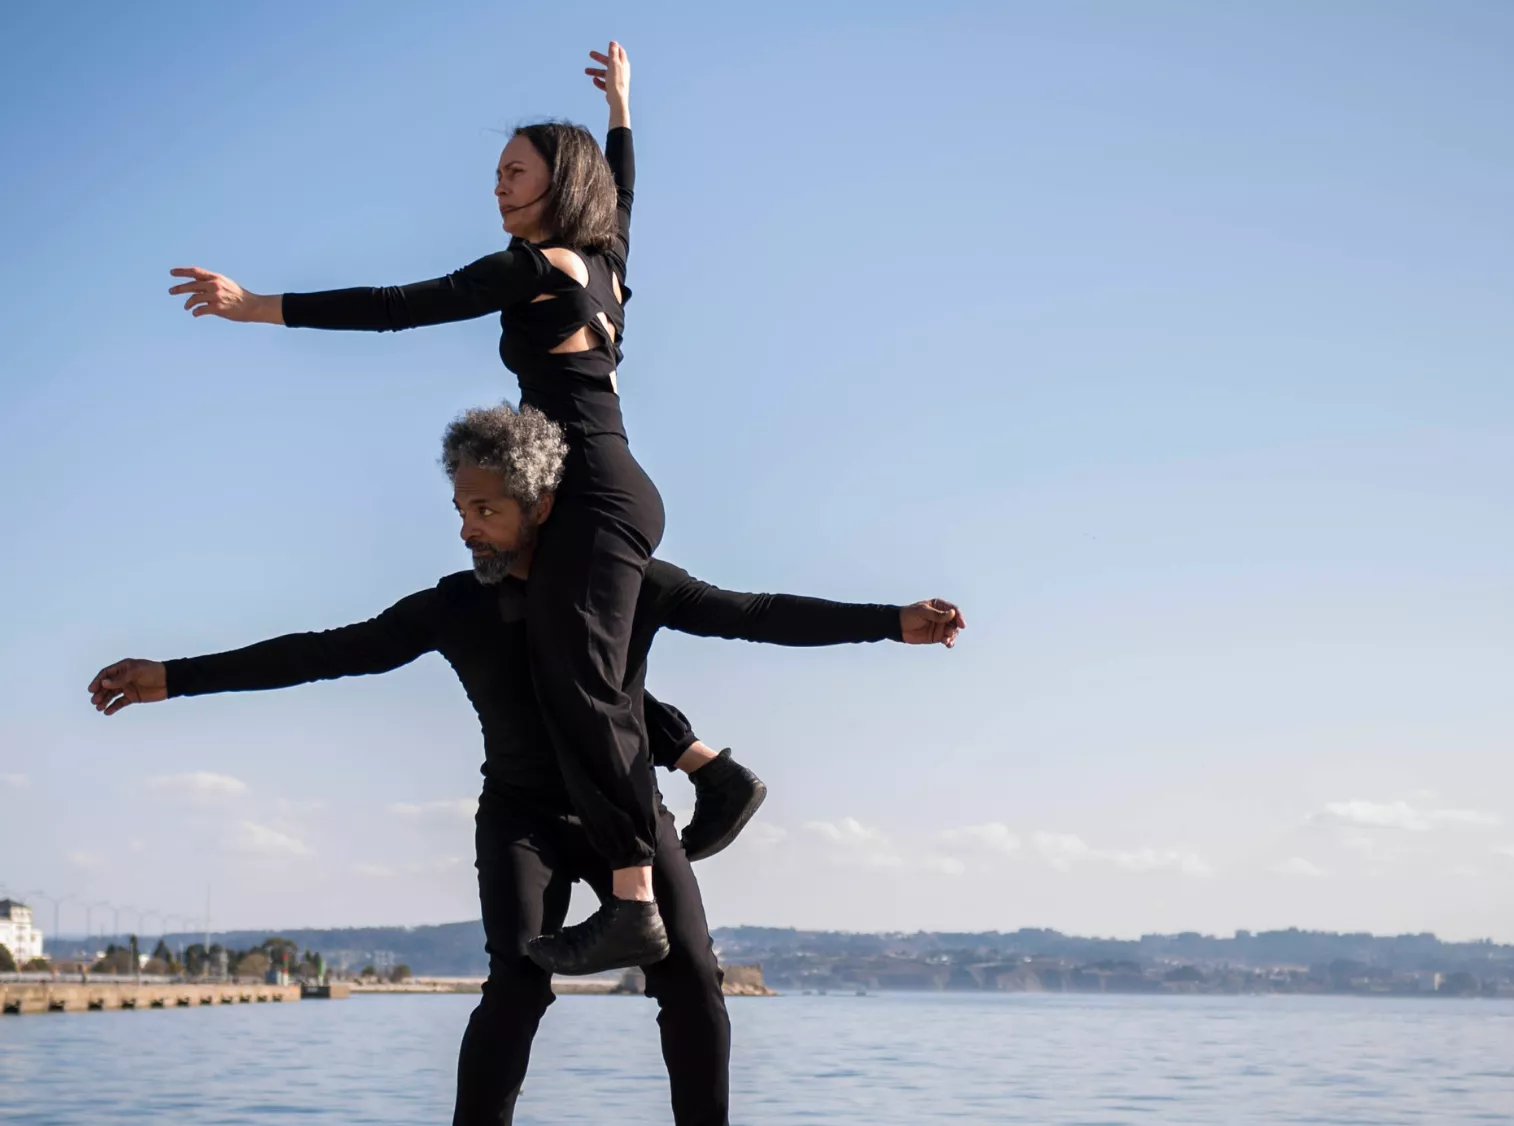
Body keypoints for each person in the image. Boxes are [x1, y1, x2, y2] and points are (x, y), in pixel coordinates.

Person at [89, 403, 965, 1126]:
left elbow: (753, 612)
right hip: (521, 819)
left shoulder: (624, 584)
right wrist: (174, 677)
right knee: (517, 978)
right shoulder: (454, 606)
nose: (467, 526)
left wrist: (890, 622)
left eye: (486, 510)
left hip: (624, 811)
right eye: (461, 508)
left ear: (540, 502)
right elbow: (327, 652)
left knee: (694, 982)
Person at [168, 42, 682, 971]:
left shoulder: (538, 268)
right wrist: (623, 111)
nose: (497, 187)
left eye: (513, 173)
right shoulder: (605, 261)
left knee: (583, 685)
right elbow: (628, 193)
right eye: (494, 174)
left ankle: (636, 896)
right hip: (605, 488)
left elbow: (403, 304)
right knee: (580, 677)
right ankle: (672, 830)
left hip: (595, 495)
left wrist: (258, 309)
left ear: (558, 183)